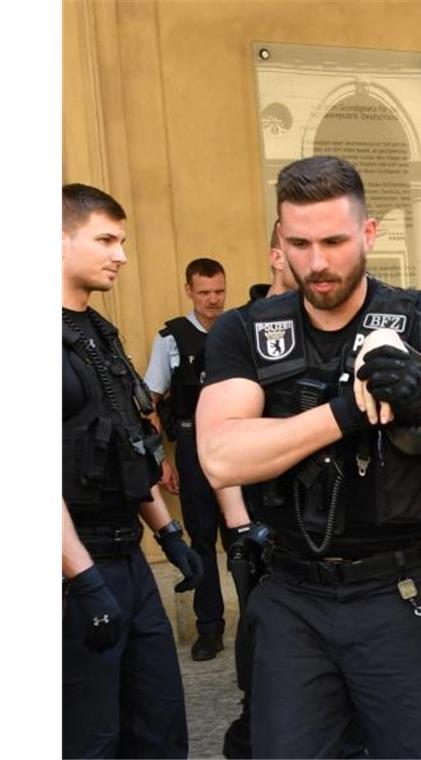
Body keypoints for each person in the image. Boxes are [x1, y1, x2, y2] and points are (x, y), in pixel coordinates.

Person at [196, 155, 421, 758]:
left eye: (334, 241)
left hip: (398, 595)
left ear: (368, 233)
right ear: (279, 240)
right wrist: (342, 414)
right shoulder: (246, 332)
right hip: (292, 595)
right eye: (299, 242)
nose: (317, 261)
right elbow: (220, 457)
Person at [62, 183, 204, 757]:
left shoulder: (98, 333)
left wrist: (169, 536)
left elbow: (126, 445)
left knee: (160, 726)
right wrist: (82, 577)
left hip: (127, 560)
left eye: (121, 240)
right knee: (91, 737)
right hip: (75, 569)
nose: (120, 254)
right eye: (105, 239)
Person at [219, 225, 300, 759]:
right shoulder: (243, 332)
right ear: (277, 254)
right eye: (301, 247)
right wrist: (240, 528)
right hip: (260, 528)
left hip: (317, 528)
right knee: (262, 660)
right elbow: (219, 446)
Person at [144, 256, 229, 661]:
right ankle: (209, 629)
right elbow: (149, 402)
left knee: (248, 538)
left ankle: (262, 626)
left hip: (238, 445)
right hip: (193, 448)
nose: (213, 300)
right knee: (202, 541)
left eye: (219, 292)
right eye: (205, 292)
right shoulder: (171, 339)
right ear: (189, 291)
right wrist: (162, 458)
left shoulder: (238, 331)